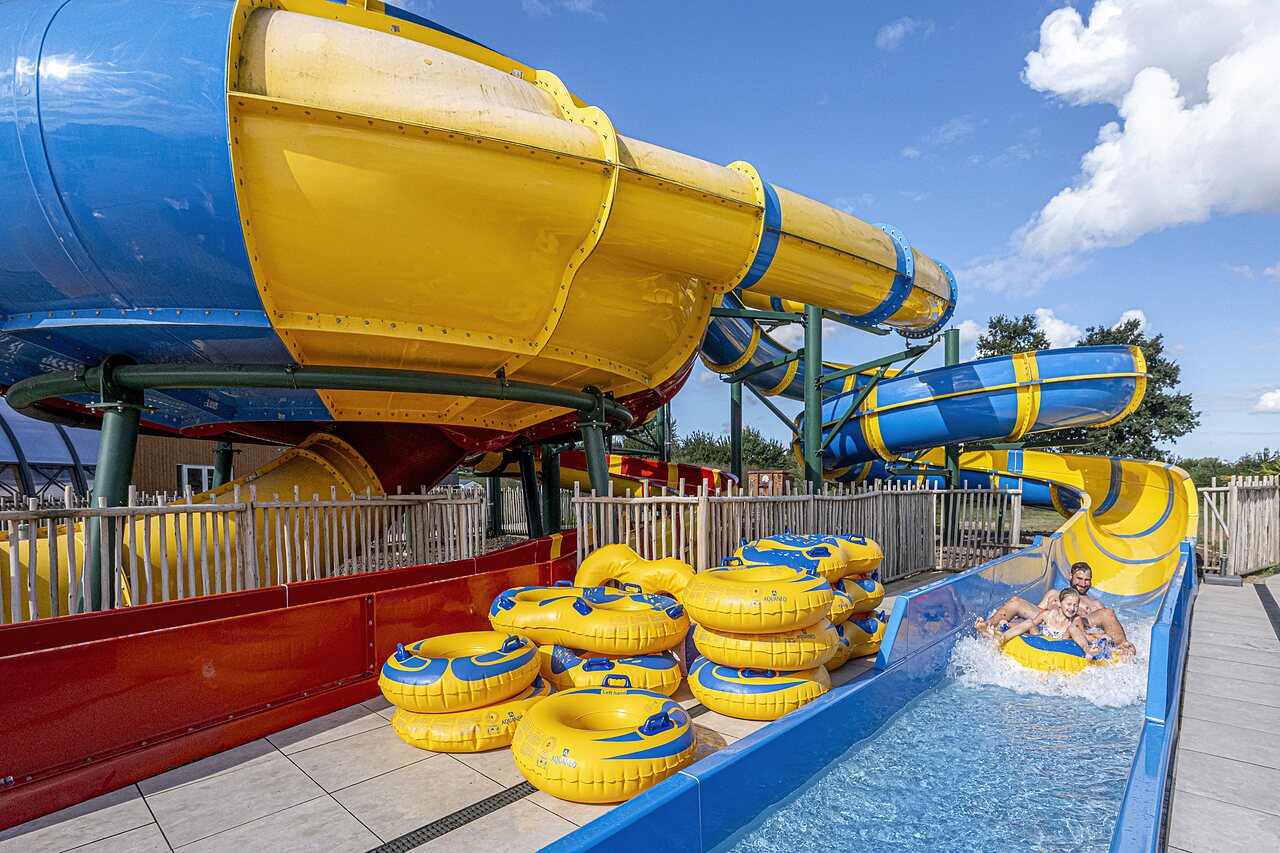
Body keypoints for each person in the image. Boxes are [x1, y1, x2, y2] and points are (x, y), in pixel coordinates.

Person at [975, 562, 1135, 655]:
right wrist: (1013, 623)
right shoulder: (1054, 594)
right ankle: (988, 626)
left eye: (1087, 580)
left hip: (1076, 627)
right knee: (1016, 601)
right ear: (1070, 577)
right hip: (1051, 622)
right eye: (1079, 578)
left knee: (1108, 613)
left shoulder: (1095, 605)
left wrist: (1100, 639)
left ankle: (1122, 647)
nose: (1083, 583)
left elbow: (1099, 630)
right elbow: (1036, 614)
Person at [996, 587, 1100, 659]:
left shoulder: (1076, 619)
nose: (1072, 608)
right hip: (1039, 642)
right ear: (1059, 603)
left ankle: (1087, 650)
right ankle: (1001, 639)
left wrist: (1099, 638)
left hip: (1061, 646)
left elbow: (1083, 635)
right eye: (1069, 604)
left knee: (1072, 628)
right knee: (1029, 622)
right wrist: (1008, 625)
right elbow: (1026, 626)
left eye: (1076, 605)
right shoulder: (1046, 615)